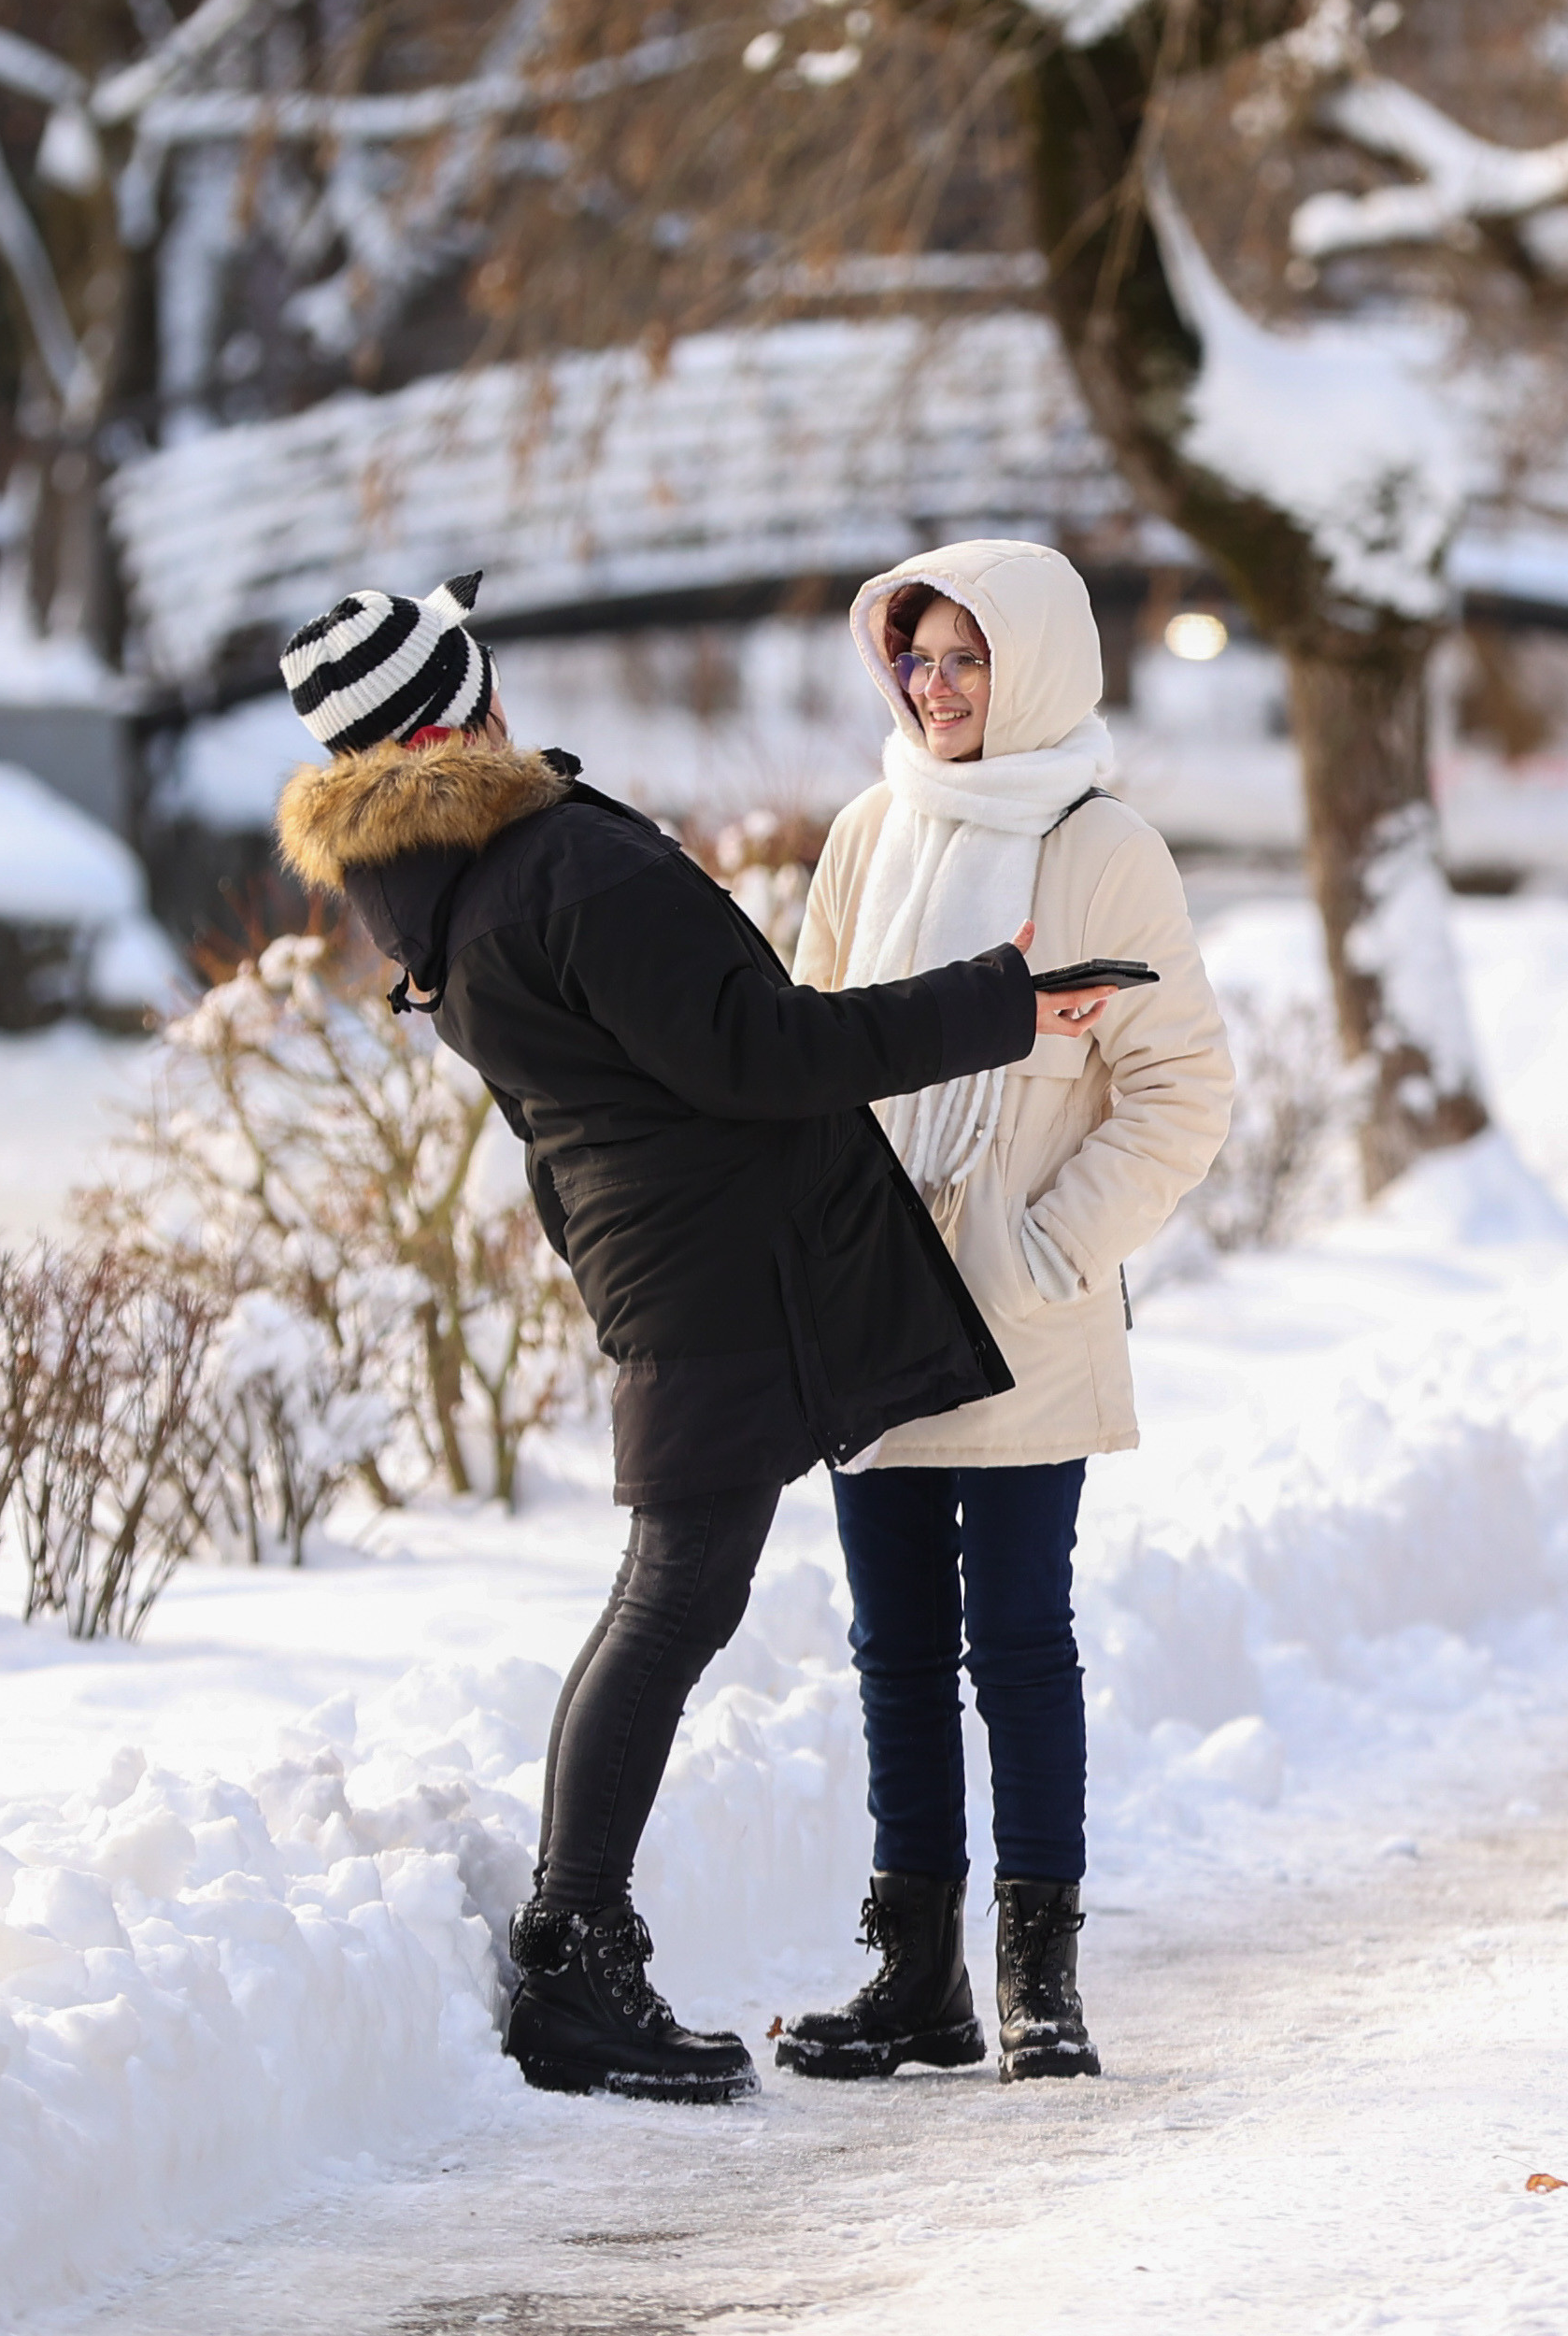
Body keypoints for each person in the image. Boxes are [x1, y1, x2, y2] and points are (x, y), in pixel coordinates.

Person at [272, 569, 1130, 2104]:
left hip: (672, 1255)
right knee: (675, 1599)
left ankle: (580, 1939)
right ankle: (572, 1951)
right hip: (716, 1277)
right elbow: (767, 1049)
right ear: (462, 710)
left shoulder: (439, 881)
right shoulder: (558, 864)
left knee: (675, 1599)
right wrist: (1006, 1002)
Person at [781, 541, 1233, 2087]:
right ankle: (915, 1981)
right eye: (912, 662)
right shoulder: (868, 832)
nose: (936, 689)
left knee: (1018, 1638)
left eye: (964, 660)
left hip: (1023, 1315)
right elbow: (804, 1056)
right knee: (892, 1647)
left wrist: (1055, 1245)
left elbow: (1182, 1091)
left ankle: (1042, 1981)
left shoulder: (1105, 850)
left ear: (1029, 664)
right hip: (874, 1307)